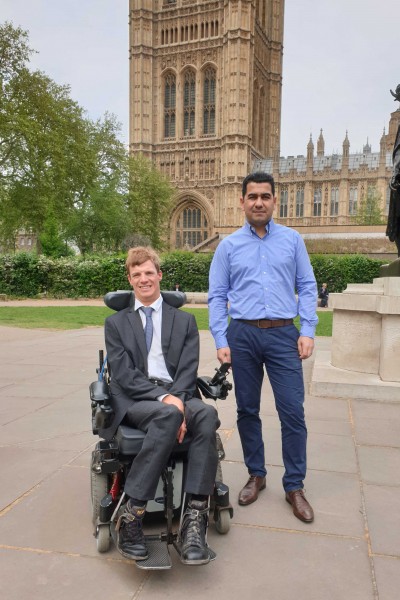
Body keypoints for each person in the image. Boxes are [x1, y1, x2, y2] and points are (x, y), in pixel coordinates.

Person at [208, 172, 318, 523]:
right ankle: (257, 474)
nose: (258, 202)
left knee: (292, 412)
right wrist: (221, 338)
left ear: (274, 201)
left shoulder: (292, 240)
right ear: (242, 201)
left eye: (265, 196)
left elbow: (307, 284)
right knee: (247, 410)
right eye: (252, 196)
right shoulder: (228, 246)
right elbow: (217, 296)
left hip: (284, 334)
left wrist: (309, 329)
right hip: (243, 336)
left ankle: (294, 485)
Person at [102, 246, 219, 565]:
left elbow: (187, 369)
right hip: (136, 399)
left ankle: (194, 522)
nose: (143, 279)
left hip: (177, 393)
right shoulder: (116, 324)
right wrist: (167, 401)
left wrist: (177, 400)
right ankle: (132, 516)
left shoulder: (185, 321)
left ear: (159, 275)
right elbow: (124, 375)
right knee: (169, 413)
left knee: (207, 413)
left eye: (148, 272)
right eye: (136, 274)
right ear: (130, 279)